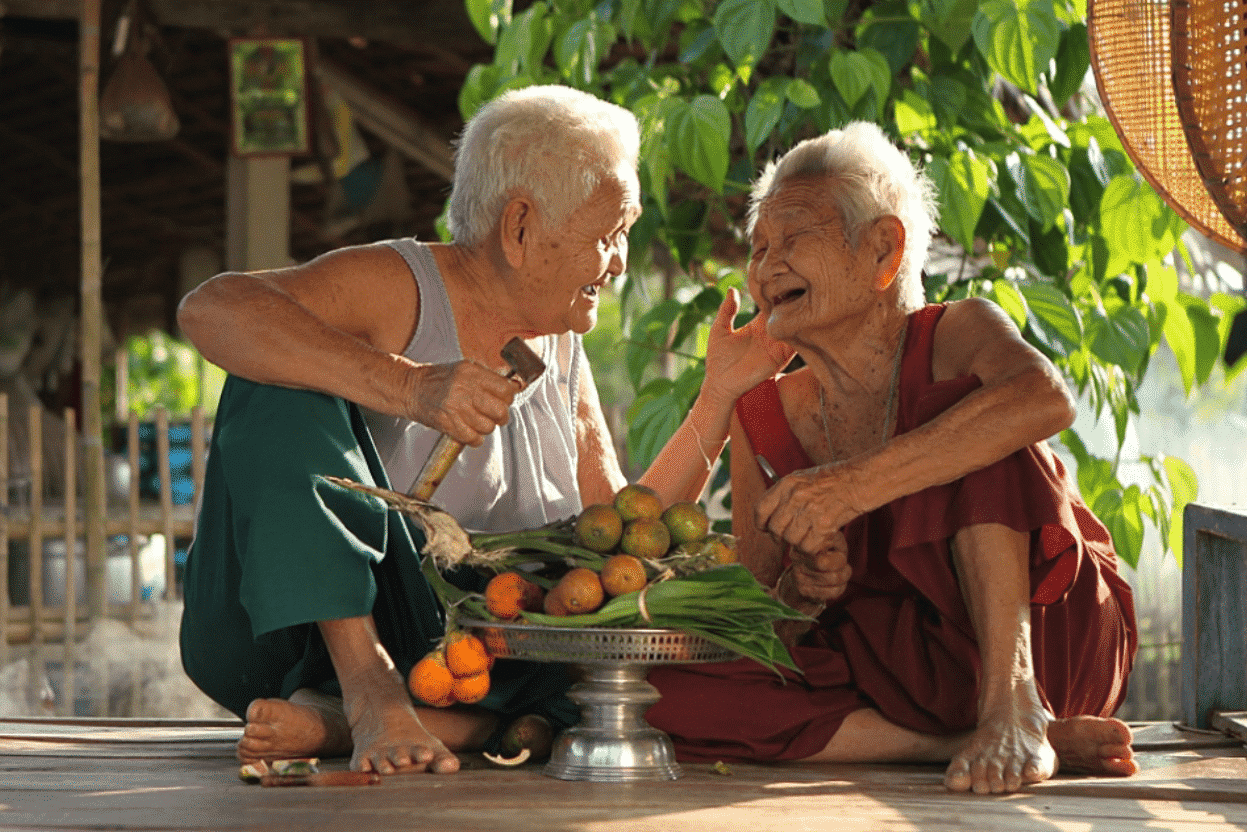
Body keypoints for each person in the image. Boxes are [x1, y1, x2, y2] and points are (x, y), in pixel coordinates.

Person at [176, 84, 783, 775]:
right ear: (520, 227)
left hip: (468, 653)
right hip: (290, 638)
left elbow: (617, 530)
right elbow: (213, 308)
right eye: (609, 234)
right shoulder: (399, 286)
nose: (618, 261)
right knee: (269, 371)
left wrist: (720, 395)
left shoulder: (559, 344)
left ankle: (351, 724)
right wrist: (410, 385)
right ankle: (367, 691)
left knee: (626, 655)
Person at [645, 121, 1140, 795]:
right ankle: (953, 744)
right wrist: (803, 589)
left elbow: (1042, 400)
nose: (765, 268)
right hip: (902, 680)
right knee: (658, 691)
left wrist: (849, 489)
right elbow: (762, 620)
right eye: (758, 248)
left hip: (1048, 642)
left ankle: (1013, 708)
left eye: (793, 240)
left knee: (971, 424)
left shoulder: (959, 330)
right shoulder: (761, 413)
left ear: (882, 249)